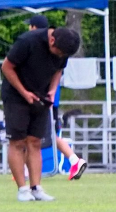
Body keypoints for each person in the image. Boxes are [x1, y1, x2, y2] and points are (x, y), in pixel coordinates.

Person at [0, 24, 80, 201]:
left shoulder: (64, 47)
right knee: (18, 141)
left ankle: (36, 188)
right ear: (52, 40)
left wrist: (52, 91)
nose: (60, 57)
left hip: (41, 95)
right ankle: (22, 189)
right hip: (16, 96)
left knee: (35, 141)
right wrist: (24, 93)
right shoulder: (27, 42)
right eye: (58, 53)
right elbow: (6, 67)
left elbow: (58, 70)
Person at [25, 16, 87, 179]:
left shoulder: (47, 52)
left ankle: (74, 160)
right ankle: (74, 161)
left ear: (34, 28)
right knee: (48, 135)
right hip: (49, 100)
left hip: (46, 100)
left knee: (43, 135)